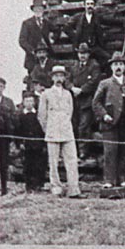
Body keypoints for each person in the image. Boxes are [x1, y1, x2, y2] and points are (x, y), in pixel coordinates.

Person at [92, 53, 125, 188]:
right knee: (110, 151)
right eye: (115, 64)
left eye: (120, 64)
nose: (118, 67)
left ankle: (121, 178)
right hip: (110, 123)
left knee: (123, 151)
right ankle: (109, 180)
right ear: (111, 67)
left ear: (124, 67)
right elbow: (96, 102)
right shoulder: (105, 83)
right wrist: (104, 115)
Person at [38, 64, 82, 198]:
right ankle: (56, 187)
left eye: (61, 76)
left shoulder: (68, 94)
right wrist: (48, 129)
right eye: (56, 76)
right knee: (53, 162)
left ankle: (73, 189)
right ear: (52, 78)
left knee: (72, 160)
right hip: (52, 131)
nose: (58, 78)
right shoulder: (46, 94)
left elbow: (70, 112)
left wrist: (65, 124)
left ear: (64, 78)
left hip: (67, 131)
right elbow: (42, 115)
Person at [68, 42, 102, 158]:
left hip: (87, 100)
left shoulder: (94, 65)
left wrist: (82, 90)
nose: (82, 56)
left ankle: (83, 150)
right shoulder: (74, 66)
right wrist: (72, 88)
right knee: (74, 125)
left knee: (84, 126)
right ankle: (74, 150)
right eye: (80, 53)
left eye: (85, 53)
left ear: (88, 54)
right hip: (74, 101)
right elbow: (67, 79)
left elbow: (94, 81)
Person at [65, 0, 109, 69]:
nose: (89, 6)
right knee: (79, 65)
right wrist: (75, 37)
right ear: (84, 5)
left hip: (94, 47)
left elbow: (109, 21)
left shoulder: (97, 17)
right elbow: (66, 27)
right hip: (81, 48)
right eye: (88, 4)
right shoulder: (78, 17)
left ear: (94, 6)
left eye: (91, 4)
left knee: (106, 58)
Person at [15, 90, 47, 192]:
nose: (29, 103)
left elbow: (42, 130)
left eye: (31, 101)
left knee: (39, 164)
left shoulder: (38, 115)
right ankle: (29, 185)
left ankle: (38, 185)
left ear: (34, 102)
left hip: (38, 144)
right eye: (27, 101)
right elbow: (17, 131)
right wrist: (19, 143)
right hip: (26, 145)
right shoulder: (20, 116)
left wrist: (43, 143)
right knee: (28, 165)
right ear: (23, 102)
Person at [18, 0, 55, 78]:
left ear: (43, 10)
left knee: (48, 77)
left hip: (46, 57)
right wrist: (32, 51)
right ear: (33, 10)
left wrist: (52, 38)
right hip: (32, 58)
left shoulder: (47, 23)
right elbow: (22, 40)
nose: (38, 11)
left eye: (40, 9)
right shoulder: (27, 23)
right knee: (33, 79)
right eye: (36, 9)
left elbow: (56, 30)